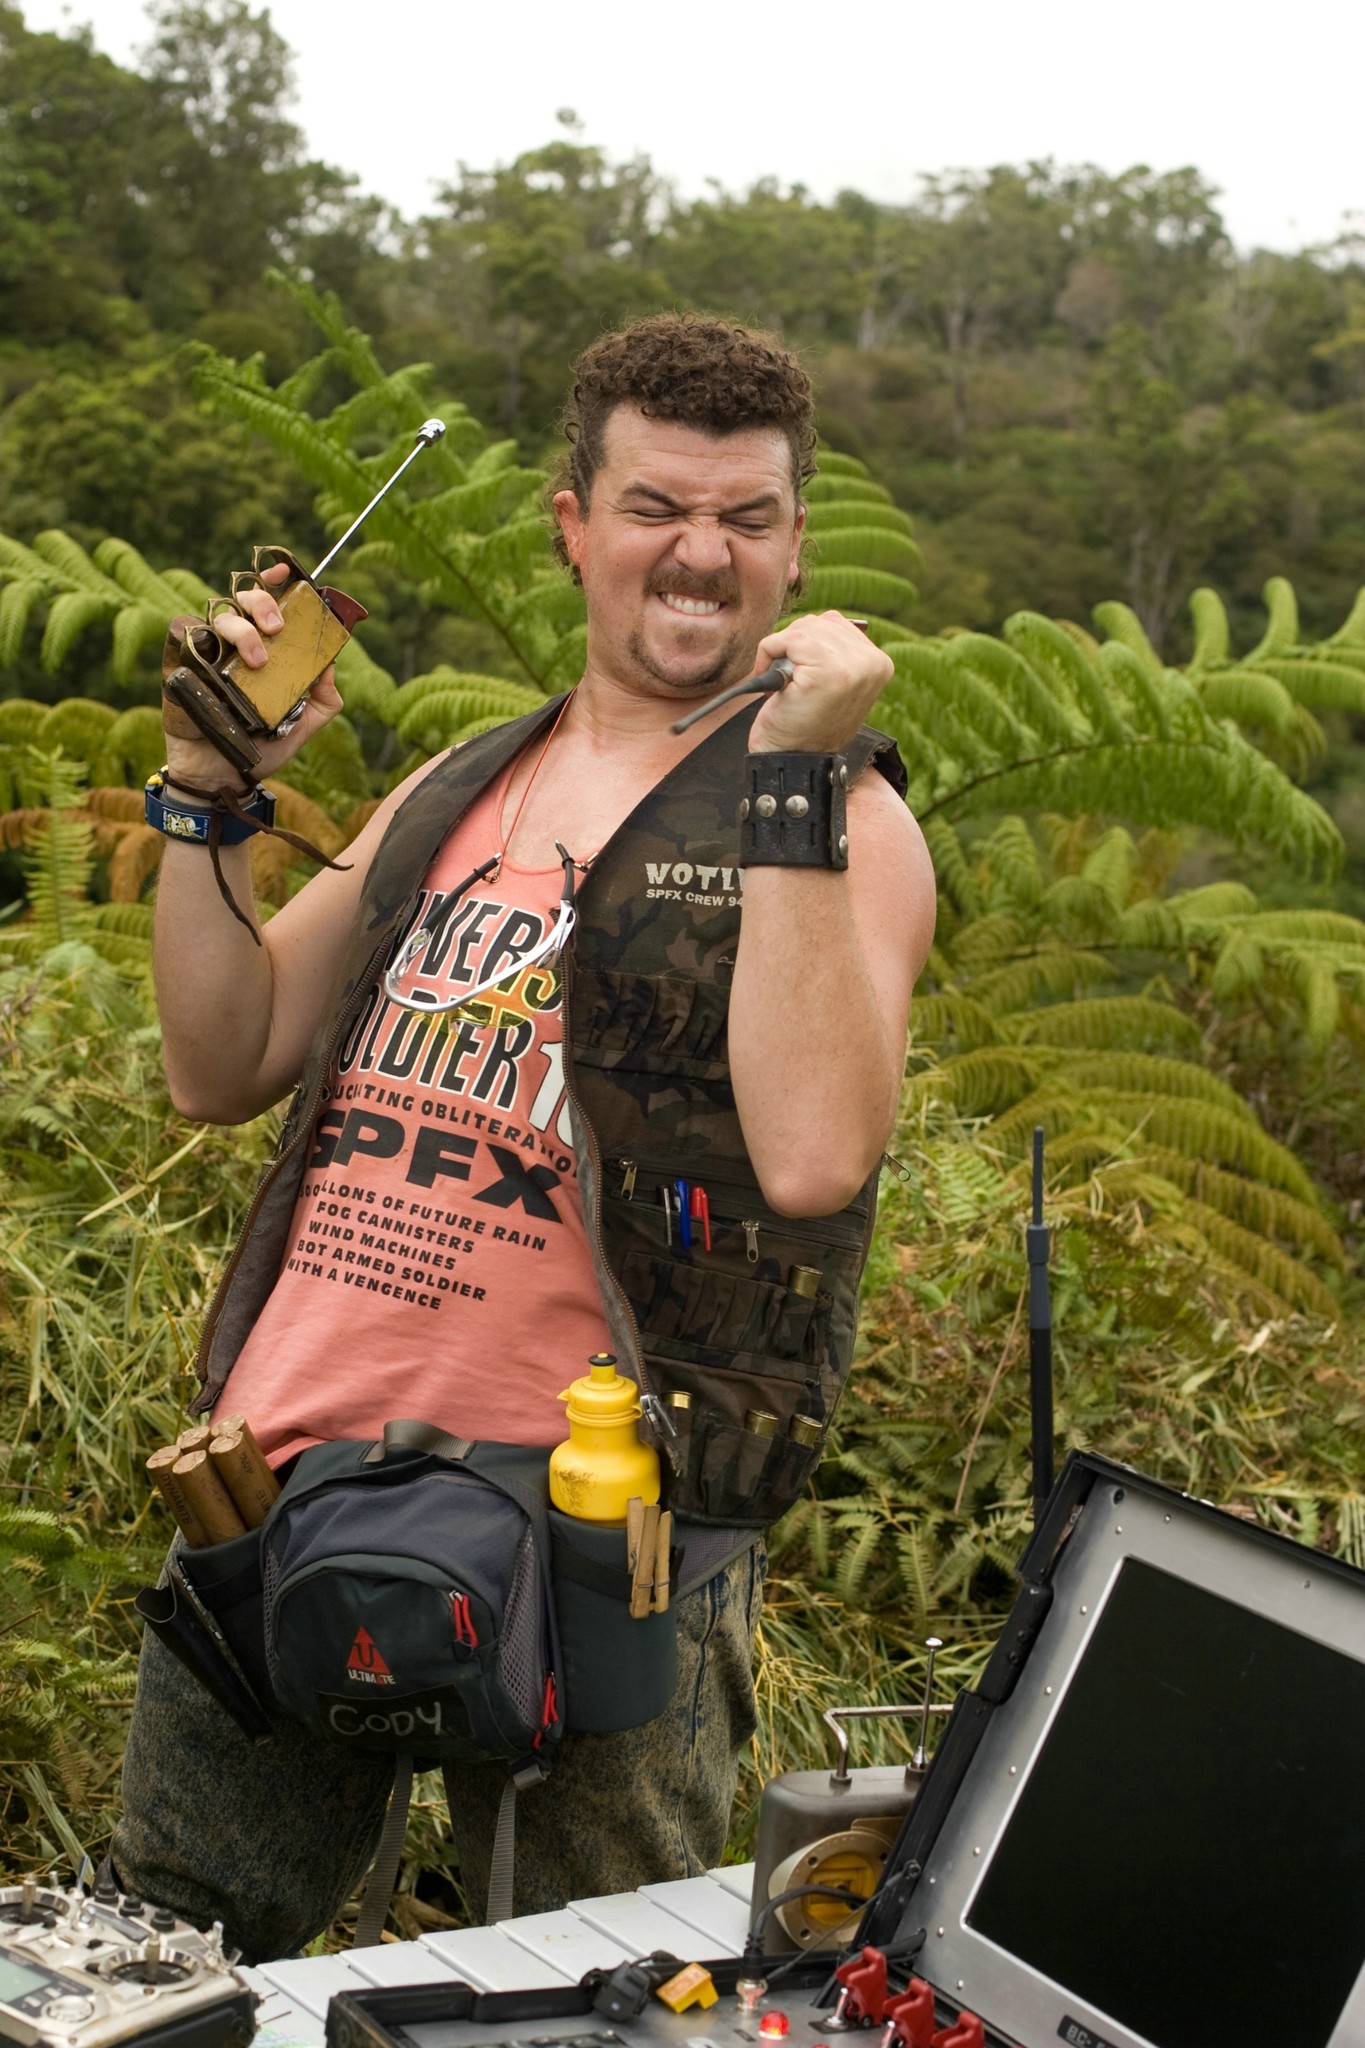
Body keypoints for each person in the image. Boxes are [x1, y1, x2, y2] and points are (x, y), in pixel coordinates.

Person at [113, 313, 936, 1960]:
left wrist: (786, 777)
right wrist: (208, 794)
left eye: (746, 519)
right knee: (171, 1966)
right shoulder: (456, 784)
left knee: (594, 1989)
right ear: (574, 522)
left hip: (606, 1529)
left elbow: (815, 1157)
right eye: (653, 508)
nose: (698, 556)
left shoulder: (844, 821)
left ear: (796, 551)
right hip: (285, 1484)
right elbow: (223, 1060)